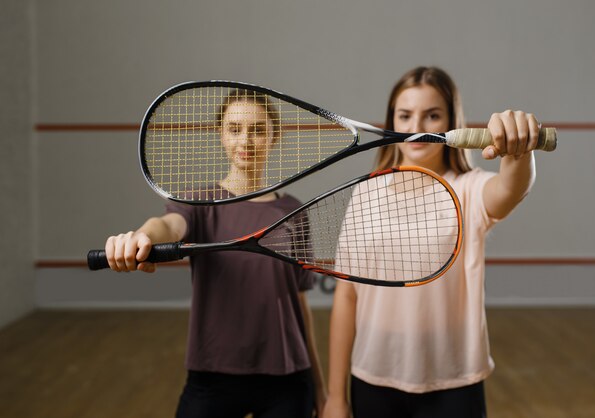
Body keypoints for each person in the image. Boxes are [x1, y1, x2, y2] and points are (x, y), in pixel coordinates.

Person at [323, 66, 541, 418]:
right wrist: (335, 397)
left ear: (451, 122)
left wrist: (519, 150)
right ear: (391, 120)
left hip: (454, 383)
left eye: (432, 115)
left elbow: (513, 187)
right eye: (405, 115)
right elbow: (347, 296)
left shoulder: (469, 189)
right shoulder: (364, 193)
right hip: (372, 379)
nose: (417, 127)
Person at [104, 89, 326, 418]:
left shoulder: (294, 210)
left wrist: (322, 391)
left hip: (287, 378)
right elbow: (167, 225)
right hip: (213, 376)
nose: (246, 140)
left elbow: (299, 304)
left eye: (258, 130)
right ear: (220, 134)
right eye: (235, 129)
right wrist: (141, 237)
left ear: (274, 137)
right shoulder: (199, 203)